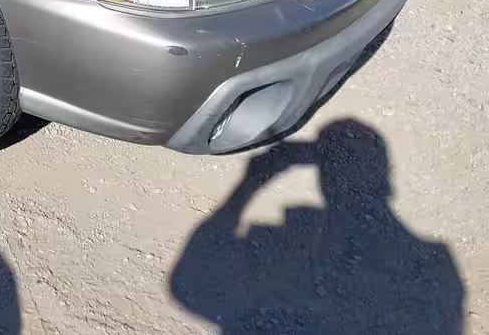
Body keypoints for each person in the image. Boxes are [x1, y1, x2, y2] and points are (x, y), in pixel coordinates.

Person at [171, 119, 464, 334]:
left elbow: (187, 285)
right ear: (384, 179)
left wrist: (250, 184)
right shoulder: (435, 267)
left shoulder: (435, 266)